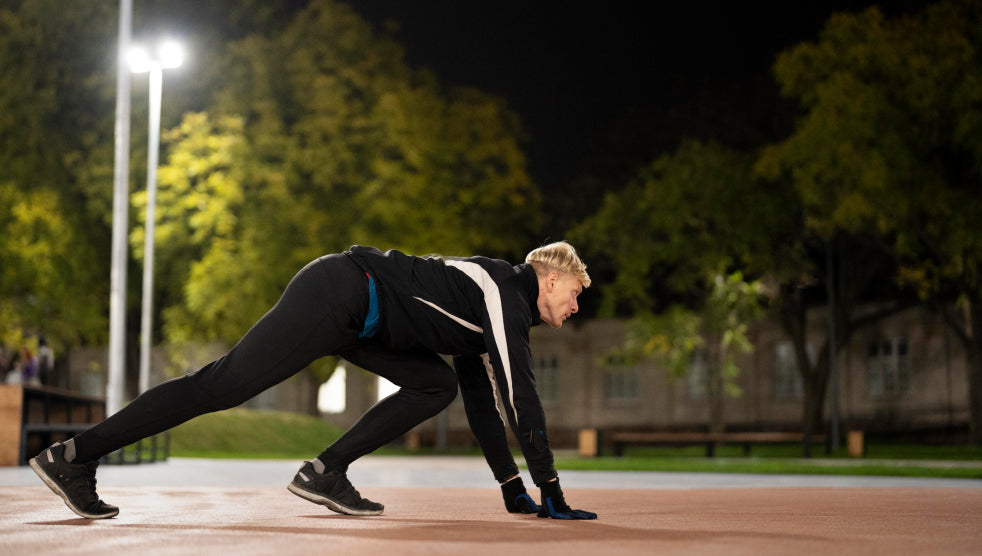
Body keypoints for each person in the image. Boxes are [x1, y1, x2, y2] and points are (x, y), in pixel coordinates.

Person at [31, 242, 598, 521]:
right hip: (339, 291)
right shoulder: (503, 290)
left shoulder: (498, 308)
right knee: (221, 386)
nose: (576, 307)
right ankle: (73, 455)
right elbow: (519, 397)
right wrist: (549, 487)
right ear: (550, 278)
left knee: (438, 385)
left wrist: (510, 487)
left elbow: (481, 397)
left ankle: (324, 473)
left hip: (364, 321)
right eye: (575, 294)